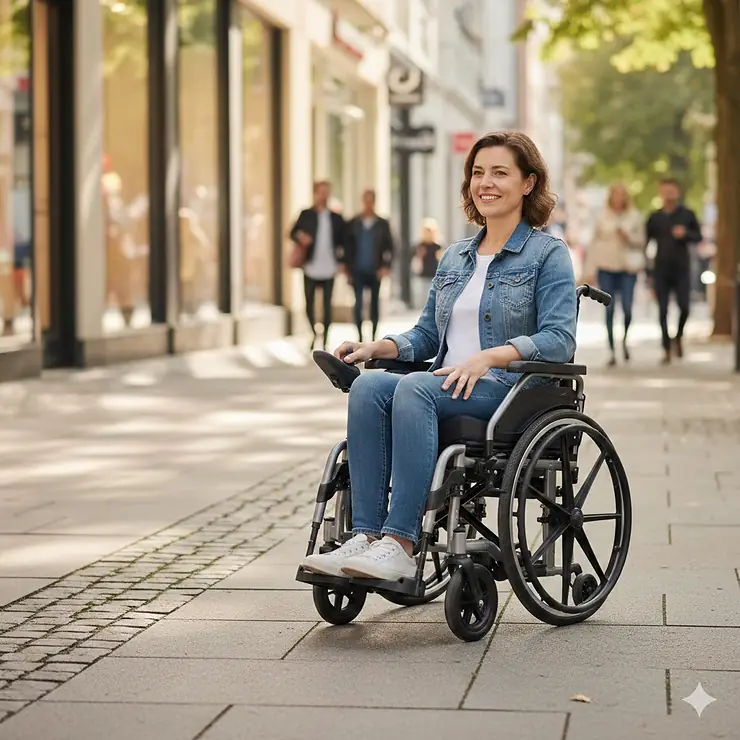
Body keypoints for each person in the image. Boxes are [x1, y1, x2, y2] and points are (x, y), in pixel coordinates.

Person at [301, 131, 577, 581]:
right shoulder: (456, 257)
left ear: (528, 183)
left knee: (414, 388)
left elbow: (559, 339)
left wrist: (489, 358)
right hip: (442, 384)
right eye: (478, 172)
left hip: (508, 393)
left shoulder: (548, 254)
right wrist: (379, 347)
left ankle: (402, 543)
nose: (485, 182)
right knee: (370, 384)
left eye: (500, 173)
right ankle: (366, 538)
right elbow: (428, 335)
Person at [584, 183, 645, 366]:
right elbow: (594, 244)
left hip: (627, 268)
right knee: (609, 309)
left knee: (627, 308)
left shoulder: (635, 216)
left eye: (622, 195)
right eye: (616, 195)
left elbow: (642, 242)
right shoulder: (601, 216)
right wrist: (589, 270)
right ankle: (611, 350)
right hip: (606, 267)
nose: (619, 198)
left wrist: (628, 237)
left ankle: (625, 341)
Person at [646, 178, 702, 364]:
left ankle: (678, 336)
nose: (668, 194)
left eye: (672, 191)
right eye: (665, 191)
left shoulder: (687, 214)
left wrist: (685, 234)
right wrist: (648, 273)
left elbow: (698, 236)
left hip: (682, 269)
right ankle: (666, 348)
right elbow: (646, 244)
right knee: (662, 311)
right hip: (661, 269)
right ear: (660, 193)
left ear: (677, 192)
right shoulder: (655, 217)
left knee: (684, 307)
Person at [289, 181, 348, 350]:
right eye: (321, 192)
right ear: (315, 193)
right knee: (309, 303)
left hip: (330, 267)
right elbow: (292, 232)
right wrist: (301, 237)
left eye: (326, 192)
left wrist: (343, 262)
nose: (324, 195)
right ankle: (314, 333)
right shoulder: (306, 214)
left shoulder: (336, 218)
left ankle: (326, 338)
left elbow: (345, 241)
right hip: (310, 266)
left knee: (327, 305)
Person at [345, 189, 394, 342]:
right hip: (357, 270)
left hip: (375, 270)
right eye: (365, 200)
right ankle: (359, 335)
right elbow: (347, 248)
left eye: (370, 200)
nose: (368, 203)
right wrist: (347, 269)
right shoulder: (354, 223)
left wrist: (386, 266)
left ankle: (373, 336)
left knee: (374, 304)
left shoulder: (382, 224)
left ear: (374, 201)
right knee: (358, 303)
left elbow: (391, 247)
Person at [411, 218, 443, 309]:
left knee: (434, 298)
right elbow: (415, 262)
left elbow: (442, 260)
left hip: (434, 275)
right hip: (423, 274)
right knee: (423, 298)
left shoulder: (438, 246)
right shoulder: (420, 245)